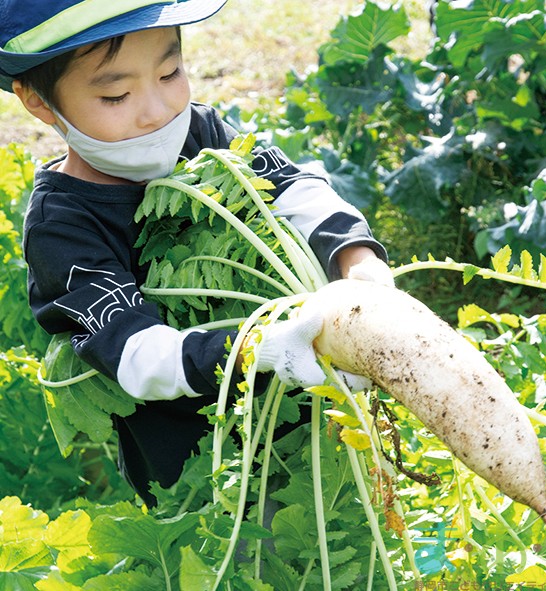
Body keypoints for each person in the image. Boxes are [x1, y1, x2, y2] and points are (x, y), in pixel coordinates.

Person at [0, 0, 393, 505]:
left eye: (170, 73)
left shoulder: (202, 132)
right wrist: (256, 349)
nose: (157, 110)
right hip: (203, 476)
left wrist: (357, 259)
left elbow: (293, 187)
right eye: (117, 95)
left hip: (319, 417)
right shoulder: (62, 228)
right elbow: (137, 354)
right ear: (37, 101)